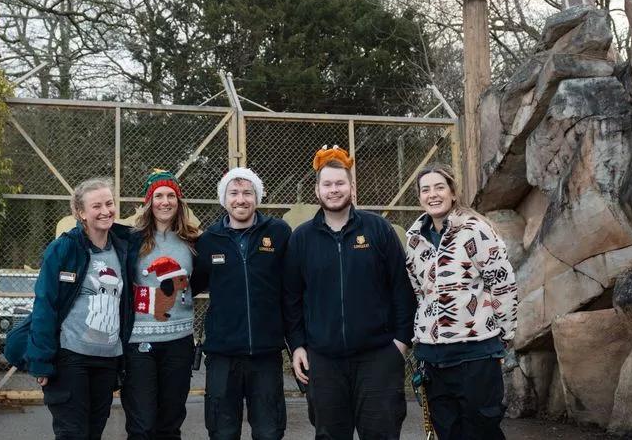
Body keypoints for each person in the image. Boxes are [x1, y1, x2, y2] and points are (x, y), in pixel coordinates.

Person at [283, 146, 416, 440]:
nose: (334, 190)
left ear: (352, 187)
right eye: (327, 184)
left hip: (379, 357)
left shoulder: (379, 229)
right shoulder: (301, 239)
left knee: (382, 433)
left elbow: (402, 290)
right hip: (324, 361)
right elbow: (291, 299)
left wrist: (400, 344)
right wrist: (298, 346)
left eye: (340, 183)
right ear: (316, 190)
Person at [404, 166, 518, 440]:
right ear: (419, 196)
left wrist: (504, 335)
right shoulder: (414, 240)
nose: (433, 194)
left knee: (482, 430)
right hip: (433, 357)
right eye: (426, 189)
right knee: (447, 432)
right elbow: (419, 292)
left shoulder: (476, 231)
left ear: (453, 193)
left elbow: (502, 284)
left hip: (476, 353)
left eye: (439, 187)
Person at [21, 177, 138, 440]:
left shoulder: (123, 247)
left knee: (93, 432)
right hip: (71, 359)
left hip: (108, 361)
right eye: (96, 206)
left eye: (109, 203)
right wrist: (41, 361)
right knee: (72, 433)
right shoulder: (64, 248)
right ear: (81, 213)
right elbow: (45, 305)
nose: (105, 211)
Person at [192, 167, 292, 440]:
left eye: (248, 192)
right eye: (233, 193)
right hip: (222, 354)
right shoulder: (209, 240)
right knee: (222, 432)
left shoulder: (280, 232)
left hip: (266, 353)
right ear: (224, 199)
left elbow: (293, 287)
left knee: (269, 431)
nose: (241, 199)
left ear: (257, 198)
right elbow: (191, 284)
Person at [122, 170, 200, 440]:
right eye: (158, 196)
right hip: (139, 343)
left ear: (179, 201)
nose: (165, 202)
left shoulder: (192, 241)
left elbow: (196, 282)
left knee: (170, 423)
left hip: (179, 342)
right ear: (149, 201)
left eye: (171, 195)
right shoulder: (132, 240)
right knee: (142, 425)